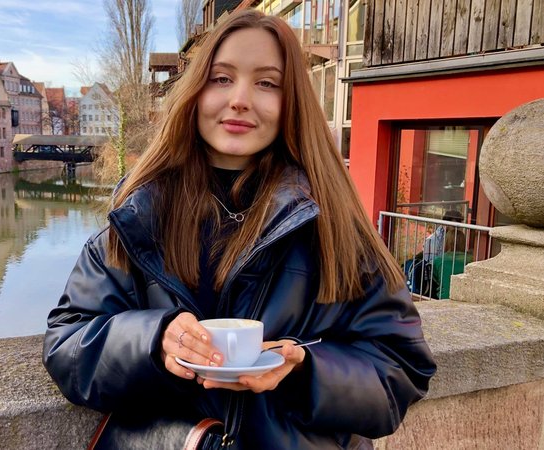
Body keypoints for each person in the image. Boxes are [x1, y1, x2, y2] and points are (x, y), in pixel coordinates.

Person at [43, 9, 436, 449]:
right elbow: (68, 345)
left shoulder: (333, 225)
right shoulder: (139, 216)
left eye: (267, 83)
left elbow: (402, 370)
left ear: (292, 103)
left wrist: (305, 369)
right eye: (221, 78)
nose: (240, 100)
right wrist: (154, 341)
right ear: (194, 92)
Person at [431, 229, 472, 299]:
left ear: (446, 242)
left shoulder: (438, 260)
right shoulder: (472, 259)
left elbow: (435, 278)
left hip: (444, 297)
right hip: (464, 298)